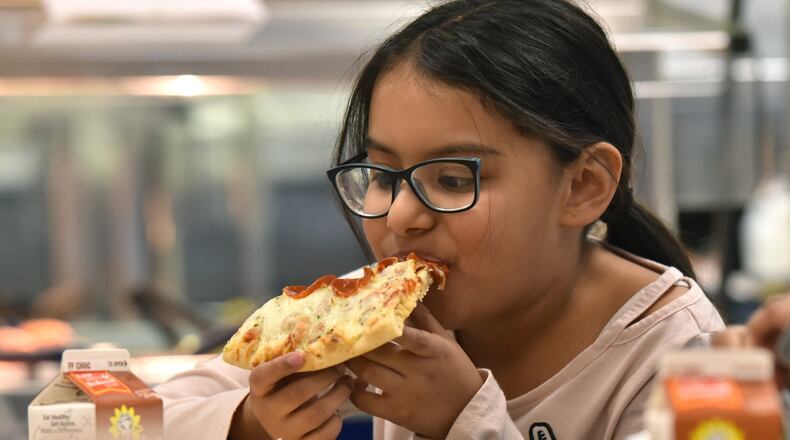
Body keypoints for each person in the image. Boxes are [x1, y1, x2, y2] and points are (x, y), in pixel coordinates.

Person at [154, 1, 725, 438]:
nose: (402, 215)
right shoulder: (375, 321)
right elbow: (99, 418)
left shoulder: (685, 358)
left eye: (453, 180)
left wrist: (464, 421)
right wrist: (251, 420)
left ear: (583, 186)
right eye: (382, 174)